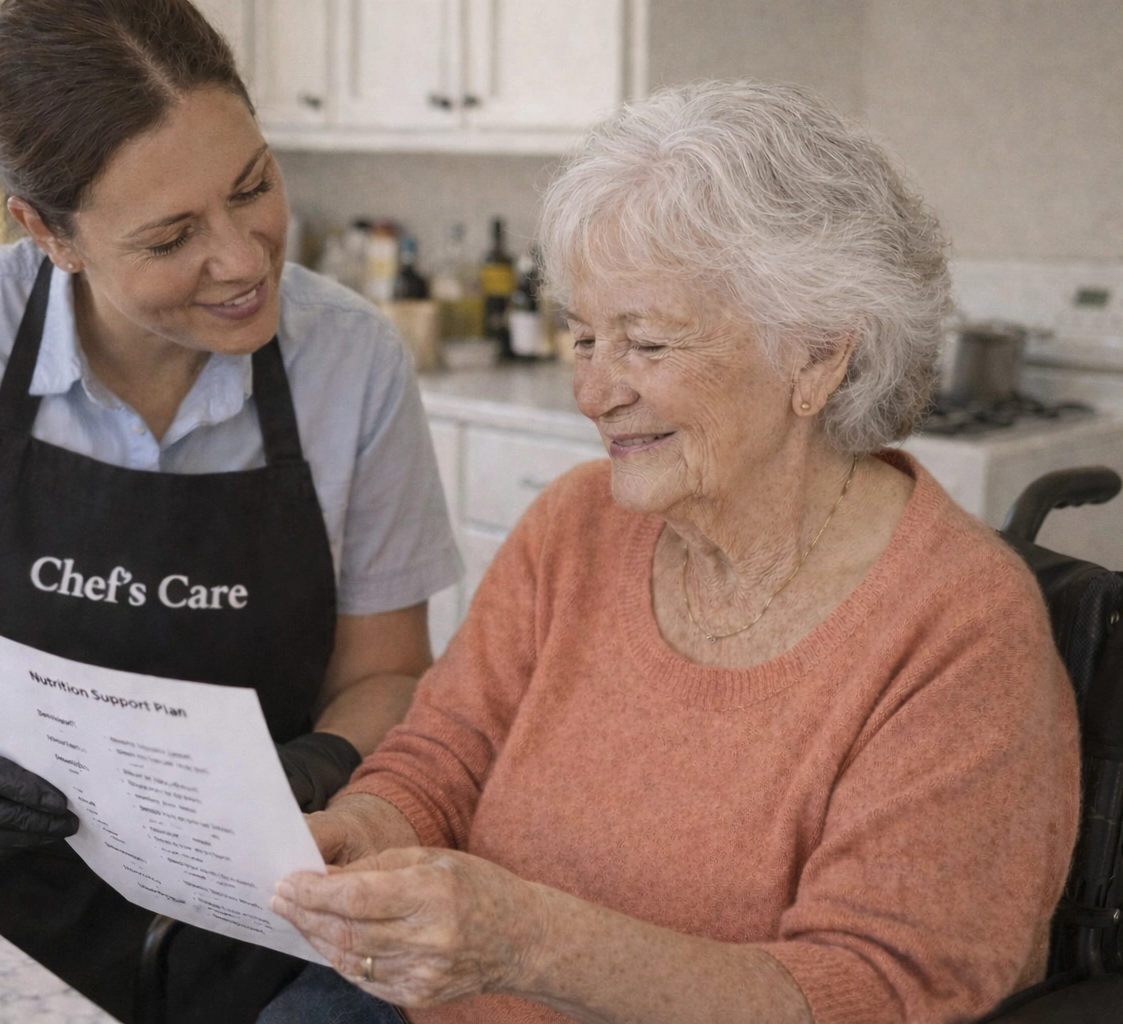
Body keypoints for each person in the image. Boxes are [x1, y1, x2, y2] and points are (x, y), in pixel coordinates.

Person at [262, 81, 1081, 1024]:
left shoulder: (961, 633)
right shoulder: (574, 528)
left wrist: (530, 941)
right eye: (583, 338)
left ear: (819, 357)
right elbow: (447, 753)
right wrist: (367, 827)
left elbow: (876, 993)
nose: (593, 393)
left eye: (645, 344)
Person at [0, 2, 460, 1021]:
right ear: (46, 232)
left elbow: (387, 674)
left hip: (249, 921)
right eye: (173, 236)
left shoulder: (352, 362)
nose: (244, 258)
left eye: (253, 186)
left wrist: (319, 771)